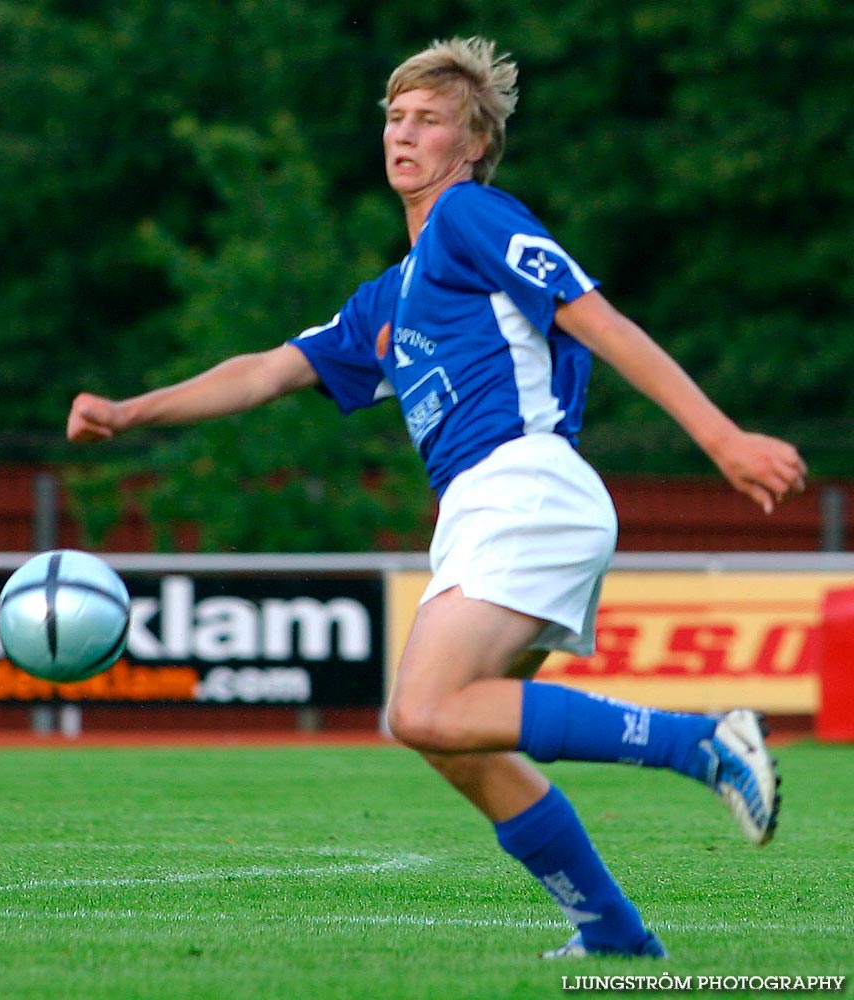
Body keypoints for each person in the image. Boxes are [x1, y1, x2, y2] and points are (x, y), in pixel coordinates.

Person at [66, 37, 807, 959]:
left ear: (472, 144)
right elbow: (266, 370)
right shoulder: (391, 295)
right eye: (394, 117)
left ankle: (703, 743)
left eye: (428, 119)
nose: (403, 133)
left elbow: (595, 316)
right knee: (456, 740)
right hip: (491, 506)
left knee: (419, 710)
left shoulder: (471, 217)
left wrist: (719, 435)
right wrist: (130, 411)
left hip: (525, 486)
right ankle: (613, 934)